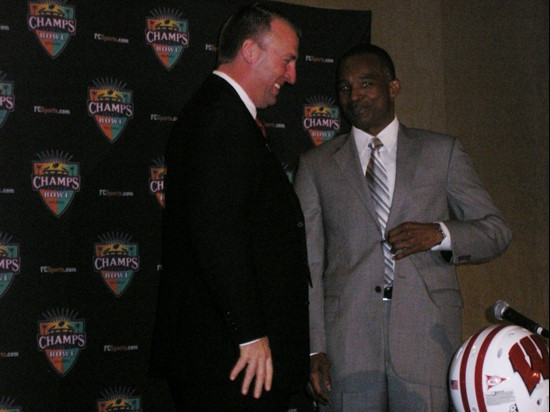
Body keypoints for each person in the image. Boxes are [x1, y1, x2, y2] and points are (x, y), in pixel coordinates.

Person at [293, 44, 512, 411]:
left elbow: (496, 231)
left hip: (426, 340)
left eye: (366, 83)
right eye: (345, 87)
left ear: (393, 87)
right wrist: (316, 347)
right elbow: (308, 266)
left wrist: (440, 234)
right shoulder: (317, 166)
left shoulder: (441, 153)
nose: (354, 95)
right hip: (347, 346)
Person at [149, 3, 310, 411]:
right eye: (287, 60)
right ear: (251, 51)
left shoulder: (225, 114)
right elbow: (217, 233)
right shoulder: (220, 118)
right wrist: (249, 334)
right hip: (230, 362)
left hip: (232, 359)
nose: (291, 76)